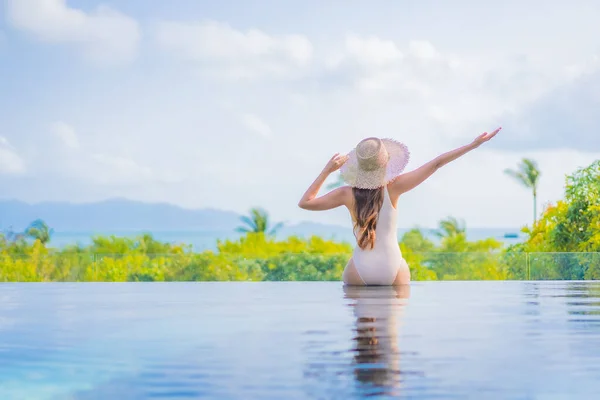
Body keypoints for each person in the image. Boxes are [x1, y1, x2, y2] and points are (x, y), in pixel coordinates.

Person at [298, 127, 501, 286]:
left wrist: (327, 170)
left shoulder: (346, 194)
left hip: (359, 270)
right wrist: (473, 145)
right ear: (386, 163)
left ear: (359, 167)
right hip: (392, 267)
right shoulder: (394, 188)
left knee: (360, 336)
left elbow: (305, 202)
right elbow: (437, 163)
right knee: (392, 336)